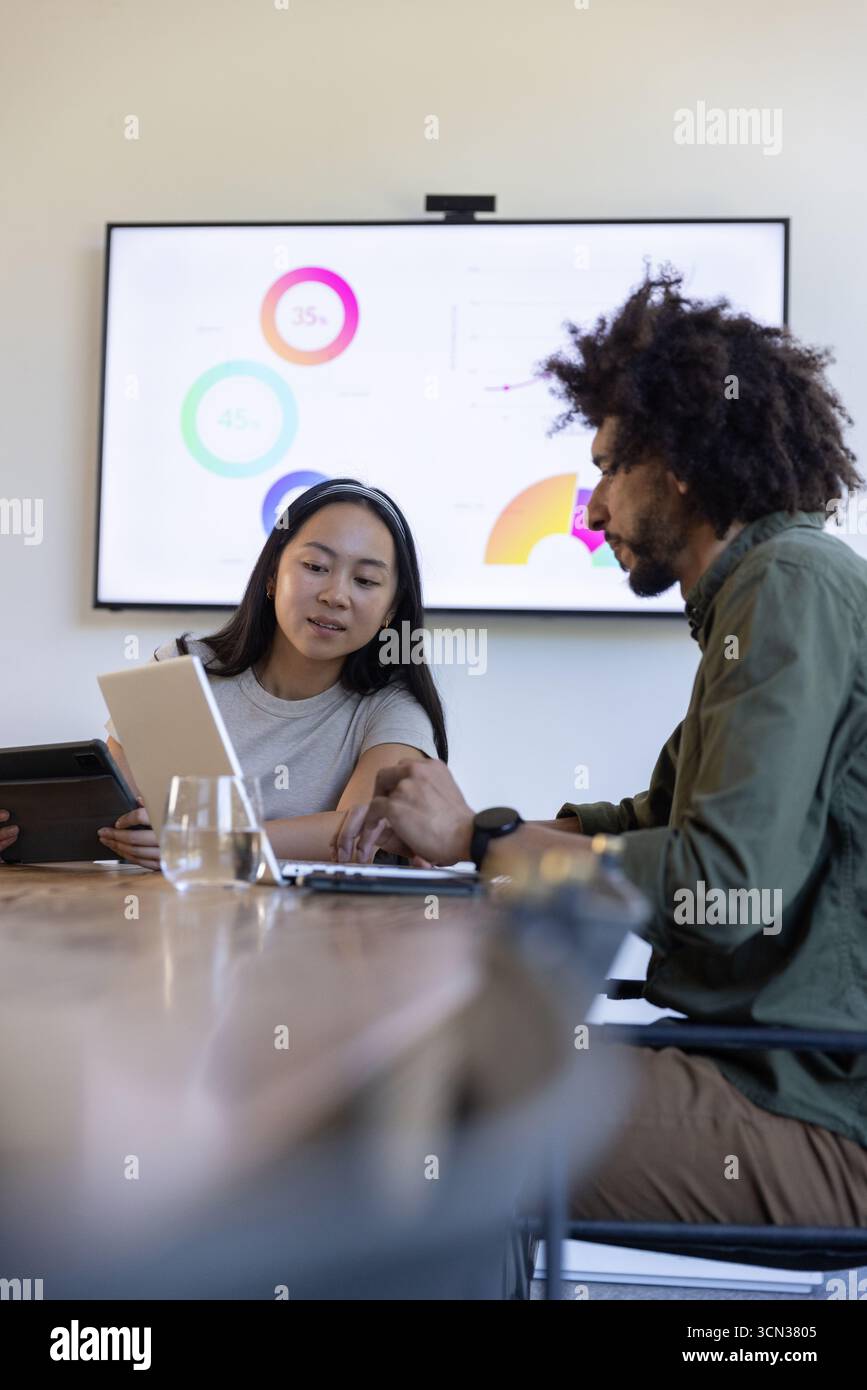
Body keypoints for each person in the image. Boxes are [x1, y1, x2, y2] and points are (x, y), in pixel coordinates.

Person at [334, 270, 867, 1226]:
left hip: (816, 1109)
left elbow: (724, 884)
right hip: (765, 1064)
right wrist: (473, 829)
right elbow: (651, 822)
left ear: (678, 465)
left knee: (412, 1116)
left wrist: (483, 842)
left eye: (606, 470)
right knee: (431, 1071)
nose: (590, 511)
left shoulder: (786, 586)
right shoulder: (760, 596)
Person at [0, 479, 446, 868]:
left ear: (391, 607)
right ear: (272, 575)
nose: (335, 595)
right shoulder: (183, 667)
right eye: (315, 567)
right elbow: (117, 809)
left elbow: (356, 833)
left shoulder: (394, 709)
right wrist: (21, 834)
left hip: (318, 943)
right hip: (169, 932)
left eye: (365, 581)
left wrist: (209, 843)